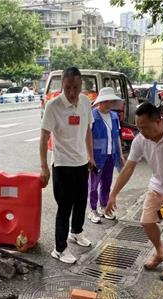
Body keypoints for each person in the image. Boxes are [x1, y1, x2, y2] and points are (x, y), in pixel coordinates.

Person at [106, 102, 163, 281]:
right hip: (157, 186)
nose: (142, 132)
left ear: (158, 121)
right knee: (147, 222)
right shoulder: (141, 140)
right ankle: (161, 252)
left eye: (145, 127)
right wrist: (113, 194)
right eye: (139, 127)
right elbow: (129, 168)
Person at [39, 66, 94, 264]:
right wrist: (44, 167)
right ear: (62, 84)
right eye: (68, 87)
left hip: (81, 163)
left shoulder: (86, 102)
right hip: (62, 165)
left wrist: (91, 156)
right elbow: (44, 136)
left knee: (81, 202)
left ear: (81, 85)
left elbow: (87, 129)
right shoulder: (53, 106)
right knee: (65, 207)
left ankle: (76, 232)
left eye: (76, 87)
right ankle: (59, 248)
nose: (72, 92)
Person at [88, 87, 126, 223]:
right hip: (97, 156)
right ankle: (93, 210)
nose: (110, 104)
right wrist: (89, 157)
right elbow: (87, 138)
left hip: (111, 155)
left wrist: (120, 154)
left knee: (107, 183)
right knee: (93, 185)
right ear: (100, 102)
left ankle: (104, 206)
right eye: (107, 101)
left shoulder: (114, 116)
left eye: (111, 101)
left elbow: (117, 137)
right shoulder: (92, 115)